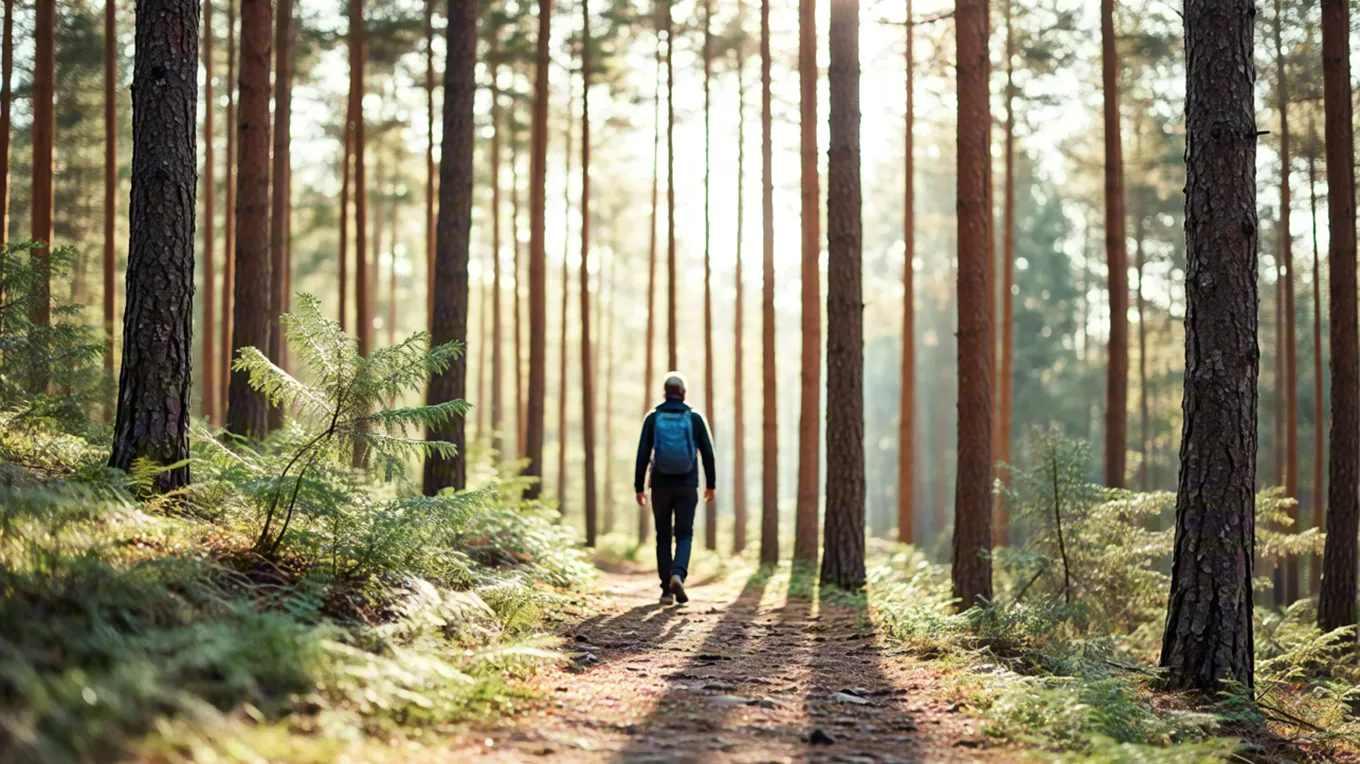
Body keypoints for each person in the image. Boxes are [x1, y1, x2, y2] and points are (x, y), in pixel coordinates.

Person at [634, 372, 717, 605]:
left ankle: (666, 591)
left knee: (663, 536)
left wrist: (639, 487)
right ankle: (678, 574)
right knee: (684, 533)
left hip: (660, 484)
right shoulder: (695, 418)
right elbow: (708, 454)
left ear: (664, 392)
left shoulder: (653, 418)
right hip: (687, 484)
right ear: (684, 393)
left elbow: (642, 454)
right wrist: (711, 485)